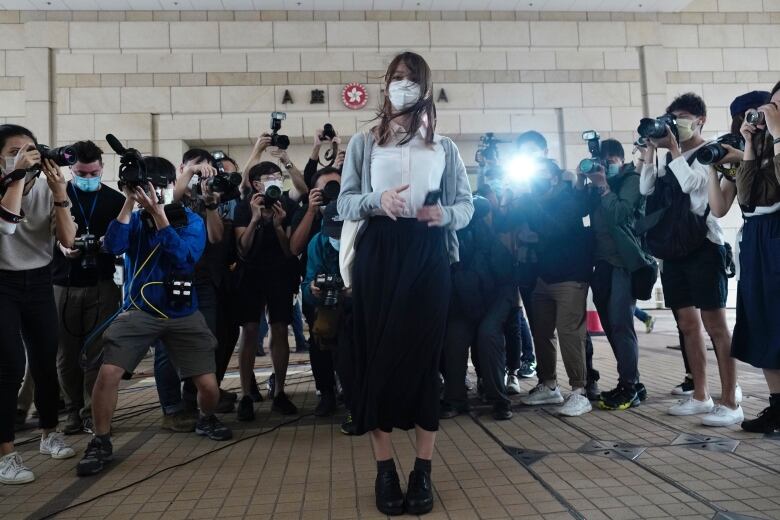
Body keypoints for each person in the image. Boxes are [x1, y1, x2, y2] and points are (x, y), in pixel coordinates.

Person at [338, 52, 473, 516]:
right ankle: (384, 470)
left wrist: (445, 215)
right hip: (380, 253)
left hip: (428, 251)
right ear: (385, 85)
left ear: (425, 88)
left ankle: (422, 471)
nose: (403, 86)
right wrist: (378, 200)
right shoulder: (364, 141)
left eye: (412, 80)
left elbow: (466, 205)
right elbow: (345, 203)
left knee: (423, 359)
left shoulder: (445, 146)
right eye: (397, 78)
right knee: (378, 356)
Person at [76, 156, 232, 478]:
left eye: (159, 187)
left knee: (208, 385)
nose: (153, 193)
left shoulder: (190, 220)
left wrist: (160, 217)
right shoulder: (132, 220)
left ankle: (207, 417)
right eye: (146, 187)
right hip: (140, 310)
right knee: (108, 373)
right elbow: (114, 246)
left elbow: (184, 258)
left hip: (182, 312)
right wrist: (129, 204)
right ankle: (101, 440)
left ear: (172, 186)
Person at [639, 92, 741, 426]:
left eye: (680, 117)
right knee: (686, 324)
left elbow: (698, 195)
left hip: (705, 248)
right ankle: (700, 394)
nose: (675, 123)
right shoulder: (672, 156)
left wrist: (673, 150)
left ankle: (730, 400)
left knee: (716, 326)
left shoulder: (712, 151)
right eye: (671, 117)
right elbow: (646, 191)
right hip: (674, 250)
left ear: (699, 120)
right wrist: (651, 153)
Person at [0, 124, 78, 484]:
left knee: (46, 359)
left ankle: (50, 433)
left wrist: (60, 192)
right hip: (2, 282)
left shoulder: (47, 186)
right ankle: (6, 454)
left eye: (30, 149)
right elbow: (8, 225)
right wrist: (16, 175)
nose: (26, 156)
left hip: (39, 279)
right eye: (15, 150)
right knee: (10, 365)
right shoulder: (8, 185)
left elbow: (67, 240)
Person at [152, 148, 239, 433]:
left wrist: (211, 204)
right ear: (182, 168)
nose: (202, 173)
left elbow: (215, 237)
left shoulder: (208, 197)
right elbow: (170, 203)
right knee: (167, 346)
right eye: (195, 167)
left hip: (202, 281)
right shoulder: (169, 193)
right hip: (171, 279)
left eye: (207, 168)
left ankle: (195, 399)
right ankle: (172, 408)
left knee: (207, 339)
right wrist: (191, 173)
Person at [506, 158, 593, 417]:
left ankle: (579, 391)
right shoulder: (533, 199)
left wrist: (530, 209)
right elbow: (509, 221)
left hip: (570, 276)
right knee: (541, 331)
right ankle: (549, 384)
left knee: (569, 332)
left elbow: (553, 228)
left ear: (554, 178)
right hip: (542, 277)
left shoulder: (567, 198)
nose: (535, 180)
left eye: (541, 175)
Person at [51, 141, 125, 435]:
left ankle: (91, 411)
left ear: (102, 168)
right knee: (66, 354)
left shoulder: (114, 199)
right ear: (71, 169)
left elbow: (122, 239)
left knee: (98, 352)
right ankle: (71, 409)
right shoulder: (58, 194)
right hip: (63, 282)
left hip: (102, 282)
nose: (88, 177)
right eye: (82, 172)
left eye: (93, 172)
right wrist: (61, 245)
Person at [579, 139, 652, 411]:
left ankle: (629, 386)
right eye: (602, 162)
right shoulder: (596, 186)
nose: (606, 167)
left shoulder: (632, 179)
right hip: (603, 263)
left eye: (610, 162)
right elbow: (580, 210)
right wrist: (581, 179)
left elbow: (620, 214)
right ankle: (631, 381)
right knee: (611, 325)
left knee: (622, 323)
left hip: (625, 263)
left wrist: (603, 186)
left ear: (621, 160)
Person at [731, 82, 780, 433]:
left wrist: (777, 135)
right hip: (758, 237)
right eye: (772, 105)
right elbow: (745, 197)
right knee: (762, 322)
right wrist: (749, 143)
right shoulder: (761, 142)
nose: (772, 112)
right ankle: (777, 406)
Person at [233, 161, 299, 420]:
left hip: (280, 273)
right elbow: (242, 249)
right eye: (268, 177)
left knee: (280, 327)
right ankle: (246, 394)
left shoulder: (289, 206)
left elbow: (290, 250)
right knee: (249, 330)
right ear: (255, 183)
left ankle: (280, 392)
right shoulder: (244, 206)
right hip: (250, 273)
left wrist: (279, 226)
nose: (275, 181)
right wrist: (255, 219)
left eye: (278, 177)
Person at [440, 196, 515, 421]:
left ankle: (500, 400)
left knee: (488, 335)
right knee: (453, 340)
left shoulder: (488, 239)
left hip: (494, 301)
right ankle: (454, 399)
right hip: (462, 304)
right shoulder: (447, 238)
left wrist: (498, 313)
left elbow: (505, 281)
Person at [291, 166, 343, 416]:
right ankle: (327, 393)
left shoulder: (355, 214)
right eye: (327, 188)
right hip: (317, 288)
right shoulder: (308, 216)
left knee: (351, 346)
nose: (333, 192)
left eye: (338, 186)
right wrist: (311, 211)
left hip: (354, 296)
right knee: (320, 340)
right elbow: (294, 248)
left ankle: (355, 396)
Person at [301, 201, 354, 428]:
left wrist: (355, 289)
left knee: (349, 352)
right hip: (327, 306)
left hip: (358, 308)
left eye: (341, 232)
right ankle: (326, 393)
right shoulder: (318, 242)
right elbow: (306, 283)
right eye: (333, 232)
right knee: (318, 341)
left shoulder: (364, 241)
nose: (337, 238)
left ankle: (356, 404)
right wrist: (313, 288)